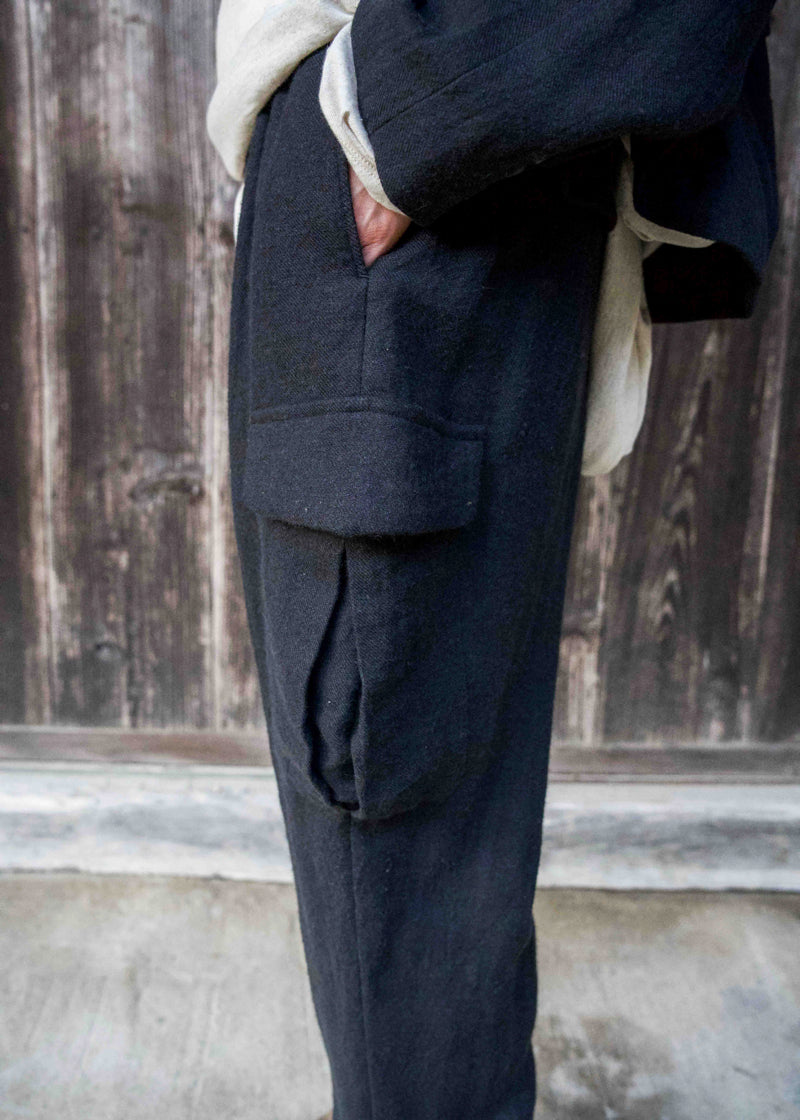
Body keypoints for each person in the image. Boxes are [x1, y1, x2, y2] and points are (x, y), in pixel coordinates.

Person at [206, 3, 780, 1117]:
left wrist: (404, 111)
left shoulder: (408, 119)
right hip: (404, 152)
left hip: (431, 148)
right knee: (397, 849)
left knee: (405, 850)